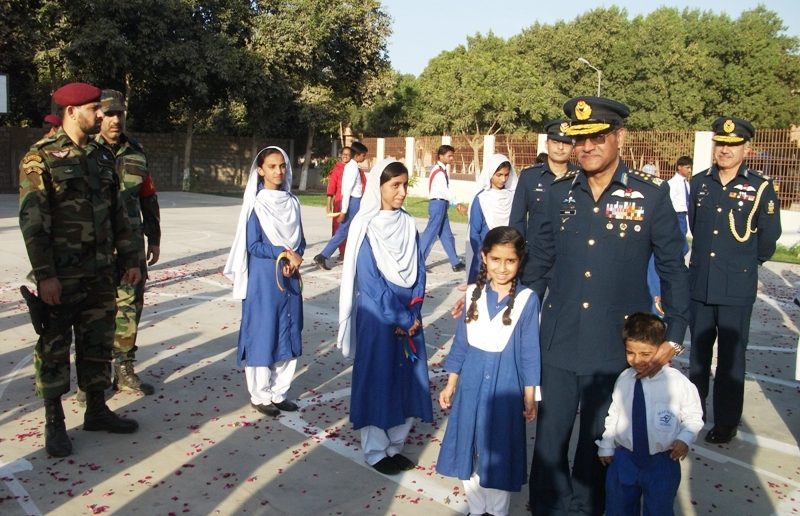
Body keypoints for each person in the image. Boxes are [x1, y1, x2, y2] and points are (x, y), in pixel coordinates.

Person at [527, 96, 690, 515]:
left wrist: (673, 337)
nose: (587, 148)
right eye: (580, 140)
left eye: (598, 138)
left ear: (619, 137)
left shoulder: (650, 198)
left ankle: (588, 507)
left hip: (614, 344)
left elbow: (673, 269)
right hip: (559, 337)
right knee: (551, 435)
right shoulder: (556, 194)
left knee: (600, 438)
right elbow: (539, 263)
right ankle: (547, 507)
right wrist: (501, 308)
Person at [18, 82, 142, 457]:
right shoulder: (39, 159)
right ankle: (54, 422)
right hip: (62, 274)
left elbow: (121, 212)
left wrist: (131, 258)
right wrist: (45, 274)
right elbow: (33, 222)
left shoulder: (102, 158)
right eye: (94, 109)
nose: (102, 115)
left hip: (102, 271)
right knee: (55, 346)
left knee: (97, 343)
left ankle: (96, 409)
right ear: (72, 112)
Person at [688, 116, 781, 444]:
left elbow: (768, 239)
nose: (725, 150)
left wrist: (742, 265)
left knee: (730, 358)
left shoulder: (760, 187)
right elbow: (696, 227)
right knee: (698, 355)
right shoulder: (699, 183)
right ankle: (693, 413)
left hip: (735, 288)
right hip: (700, 284)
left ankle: (726, 421)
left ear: (747, 148)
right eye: (721, 144)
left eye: (733, 145)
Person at [337, 158, 433, 475]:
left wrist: (415, 310)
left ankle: (395, 445)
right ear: (379, 187)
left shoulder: (407, 223)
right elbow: (371, 281)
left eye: (405, 185)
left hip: (410, 313)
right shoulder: (367, 226)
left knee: (408, 377)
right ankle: (376, 450)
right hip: (379, 318)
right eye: (395, 185)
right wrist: (402, 318)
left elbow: (419, 270)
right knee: (379, 378)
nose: (402, 192)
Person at [437, 226, 540, 516]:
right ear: (484, 258)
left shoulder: (527, 300)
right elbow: (460, 344)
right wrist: (451, 383)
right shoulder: (472, 294)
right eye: (495, 259)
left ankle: (496, 511)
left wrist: (530, 394)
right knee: (468, 446)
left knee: (498, 451)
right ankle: (476, 507)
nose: (502, 268)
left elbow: (530, 352)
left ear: (520, 262)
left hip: (505, 388)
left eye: (510, 261)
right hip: (471, 384)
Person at [224, 146, 304, 417]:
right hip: (263, 278)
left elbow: (300, 240)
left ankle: (279, 392)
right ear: (260, 171)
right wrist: (281, 254)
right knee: (263, 332)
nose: (278, 171)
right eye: (272, 167)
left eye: (282, 166)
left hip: (289, 276)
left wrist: (296, 256)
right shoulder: (257, 204)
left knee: (289, 329)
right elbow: (254, 244)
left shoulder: (292, 202)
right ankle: (260, 394)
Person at [597, 312, 704, 516]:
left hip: (662, 460)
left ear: (661, 349)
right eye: (630, 353)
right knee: (618, 508)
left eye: (645, 354)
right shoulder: (624, 379)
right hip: (625, 458)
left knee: (659, 509)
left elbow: (693, 415)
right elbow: (615, 413)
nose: (637, 360)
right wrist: (607, 445)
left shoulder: (677, 383)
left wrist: (684, 438)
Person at [91, 89, 161, 398]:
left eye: (119, 113)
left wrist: (154, 238)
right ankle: (94, 377)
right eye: (108, 114)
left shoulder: (136, 151)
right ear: (98, 116)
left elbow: (148, 196)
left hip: (131, 248)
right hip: (96, 248)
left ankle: (124, 369)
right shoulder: (85, 151)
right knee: (95, 312)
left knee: (130, 308)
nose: (115, 119)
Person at [509, 119, 577, 289]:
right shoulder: (529, 177)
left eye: (566, 143)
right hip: (534, 259)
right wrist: (516, 254)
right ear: (547, 144)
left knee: (563, 314)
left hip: (567, 260)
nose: (560, 148)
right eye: (556, 142)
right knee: (527, 309)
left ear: (573, 147)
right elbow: (517, 219)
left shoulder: (581, 178)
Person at [314, 141, 368, 270]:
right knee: (345, 231)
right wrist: (344, 211)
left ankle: (324, 255)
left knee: (349, 230)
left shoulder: (352, 167)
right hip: (352, 202)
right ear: (358, 155)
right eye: (364, 155)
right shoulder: (352, 168)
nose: (365, 158)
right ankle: (323, 256)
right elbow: (347, 190)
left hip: (355, 201)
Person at [467, 154, 518, 283]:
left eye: (506, 175)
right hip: (484, 257)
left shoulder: (512, 197)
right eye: (499, 175)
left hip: (507, 256)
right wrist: (483, 259)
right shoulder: (482, 199)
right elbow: (474, 232)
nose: (503, 179)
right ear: (490, 174)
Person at [420, 144, 467, 272]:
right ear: (441, 156)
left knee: (447, 235)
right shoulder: (439, 172)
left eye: (452, 156)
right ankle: (418, 263)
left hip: (441, 204)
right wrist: (457, 203)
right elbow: (444, 191)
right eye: (449, 156)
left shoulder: (442, 170)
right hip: (438, 204)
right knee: (430, 235)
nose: (452, 158)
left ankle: (455, 262)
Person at [325, 146, 352, 257]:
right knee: (338, 228)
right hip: (339, 203)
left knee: (351, 228)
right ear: (340, 155)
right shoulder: (337, 169)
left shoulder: (354, 169)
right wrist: (328, 204)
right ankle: (342, 252)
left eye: (348, 154)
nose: (345, 156)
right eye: (343, 153)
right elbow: (331, 188)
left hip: (352, 203)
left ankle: (349, 252)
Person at [667, 156, 693, 256]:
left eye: (690, 168)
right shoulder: (673, 183)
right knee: (683, 246)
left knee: (681, 244)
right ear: (679, 167)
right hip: (676, 215)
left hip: (683, 216)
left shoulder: (686, 183)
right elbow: (669, 201)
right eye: (687, 167)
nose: (689, 170)